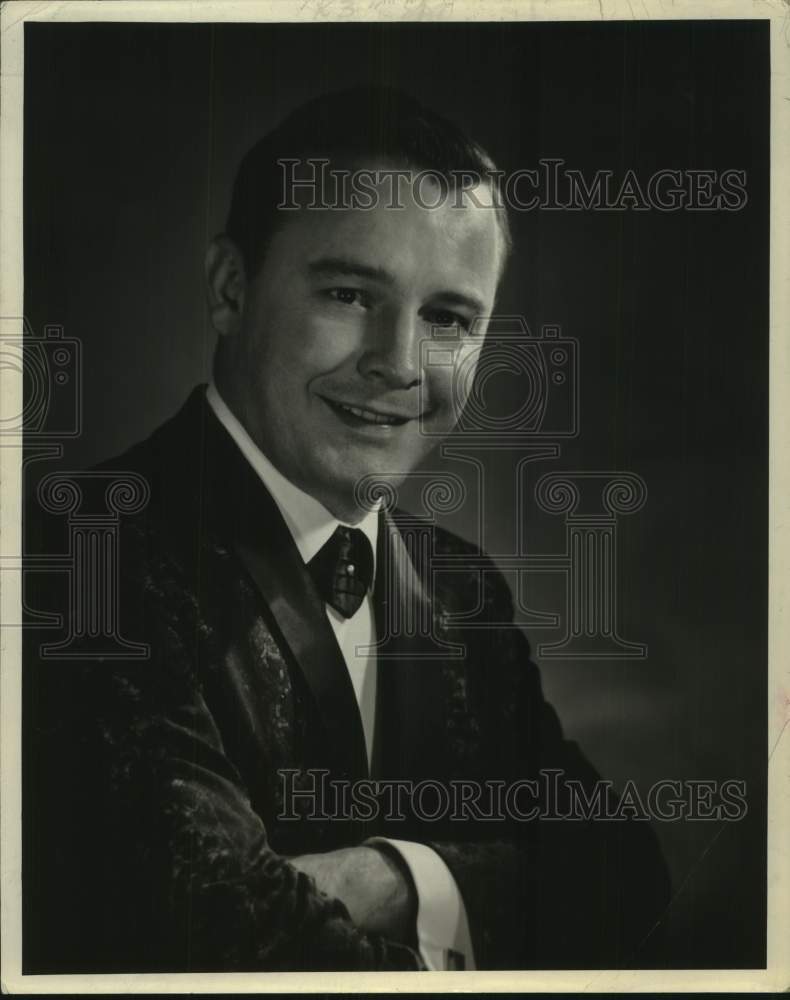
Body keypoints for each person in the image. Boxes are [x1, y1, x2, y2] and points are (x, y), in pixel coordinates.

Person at [23, 86, 670, 973]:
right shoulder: (76, 555)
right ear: (228, 289)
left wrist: (393, 878)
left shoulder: (460, 587)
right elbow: (212, 934)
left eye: (448, 318)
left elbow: (626, 877)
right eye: (347, 293)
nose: (399, 363)